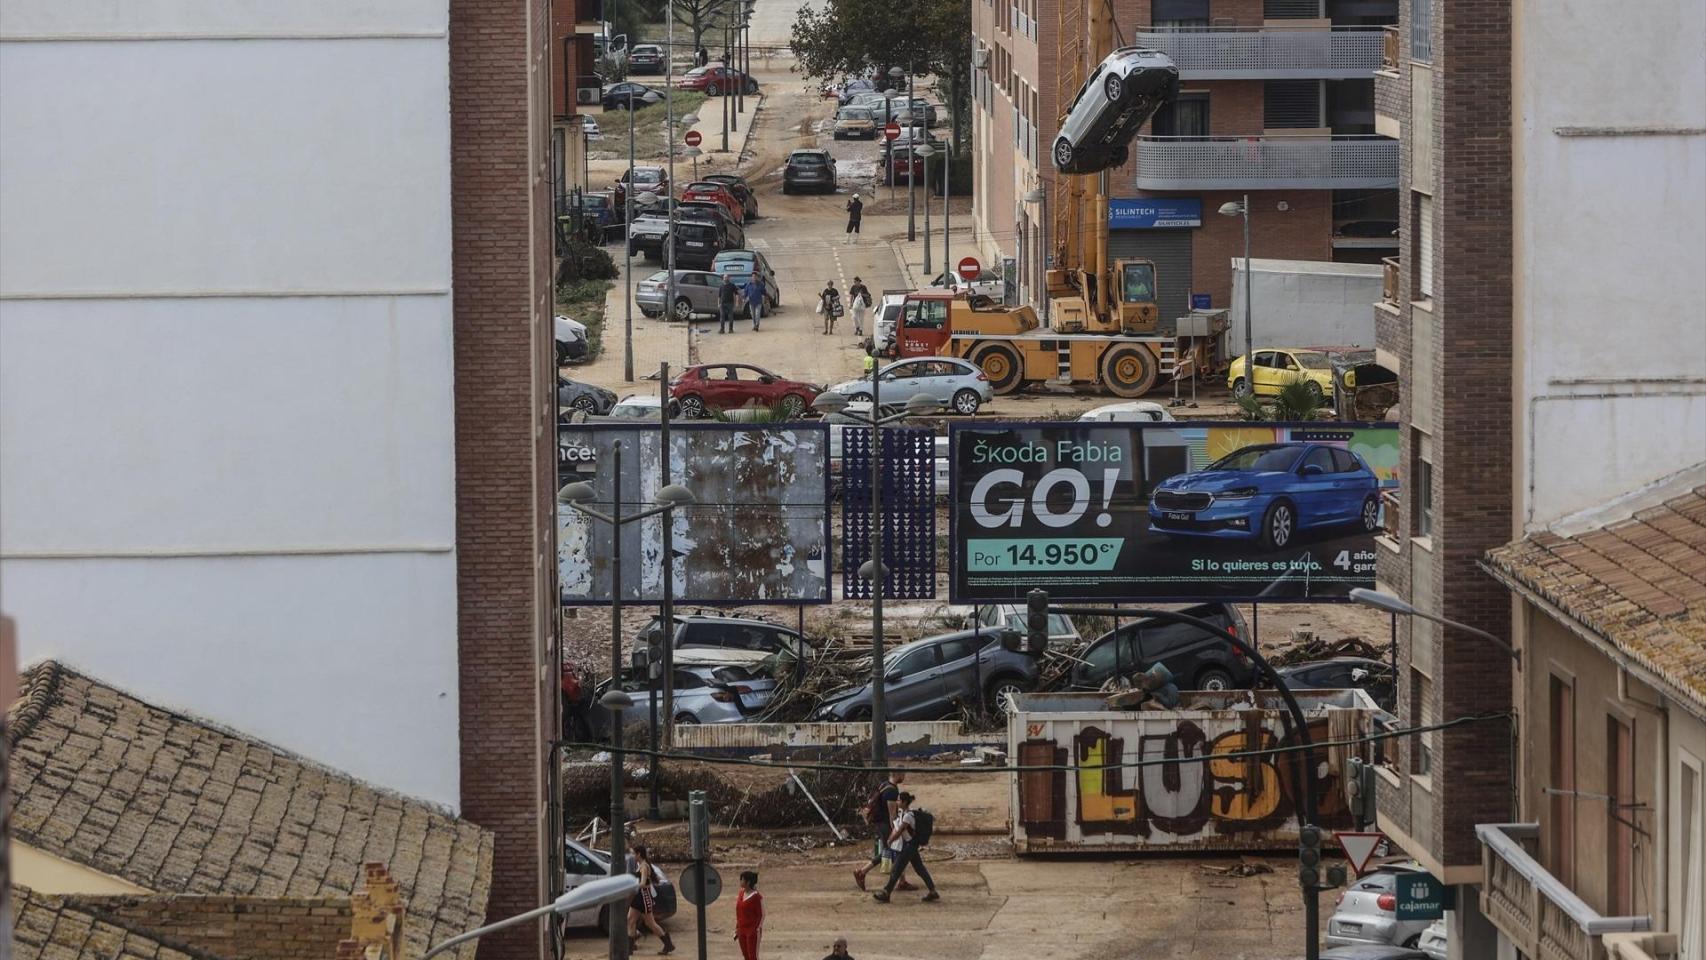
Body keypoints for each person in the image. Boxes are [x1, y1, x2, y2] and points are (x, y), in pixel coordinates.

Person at [872, 791, 937, 903]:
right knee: (919, 869)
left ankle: (886, 892)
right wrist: (890, 840)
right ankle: (933, 891)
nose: (897, 802)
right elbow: (897, 830)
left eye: (898, 800)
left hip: (910, 845)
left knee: (897, 869)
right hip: (910, 844)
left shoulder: (908, 816)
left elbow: (900, 831)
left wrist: (890, 840)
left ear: (904, 802)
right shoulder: (902, 813)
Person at [852, 771, 913, 891]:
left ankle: (902, 881)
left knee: (893, 851)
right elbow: (892, 815)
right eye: (902, 774)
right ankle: (862, 872)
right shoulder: (892, 791)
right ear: (896, 774)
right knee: (891, 851)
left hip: (880, 824)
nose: (904, 776)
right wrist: (896, 831)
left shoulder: (884, 785)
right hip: (886, 825)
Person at [628, 845, 675, 954]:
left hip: (644, 897)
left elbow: (644, 884)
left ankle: (668, 944)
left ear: (638, 854)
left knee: (651, 923)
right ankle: (630, 948)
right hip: (638, 897)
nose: (632, 856)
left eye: (633, 853)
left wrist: (631, 886)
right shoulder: (640, 865)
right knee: (630, 920)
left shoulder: (644, 866)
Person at [733, 870, 763, 960]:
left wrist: (757, 928)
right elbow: (738, 912)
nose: (740, 882)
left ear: (748, 882)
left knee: (752, 956)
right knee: (746, 955)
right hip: (741, 929)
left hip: (752, 930)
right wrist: (737, 928)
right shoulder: (741, 893)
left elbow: (761, 914)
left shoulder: (756, 897)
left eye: (742, 880)